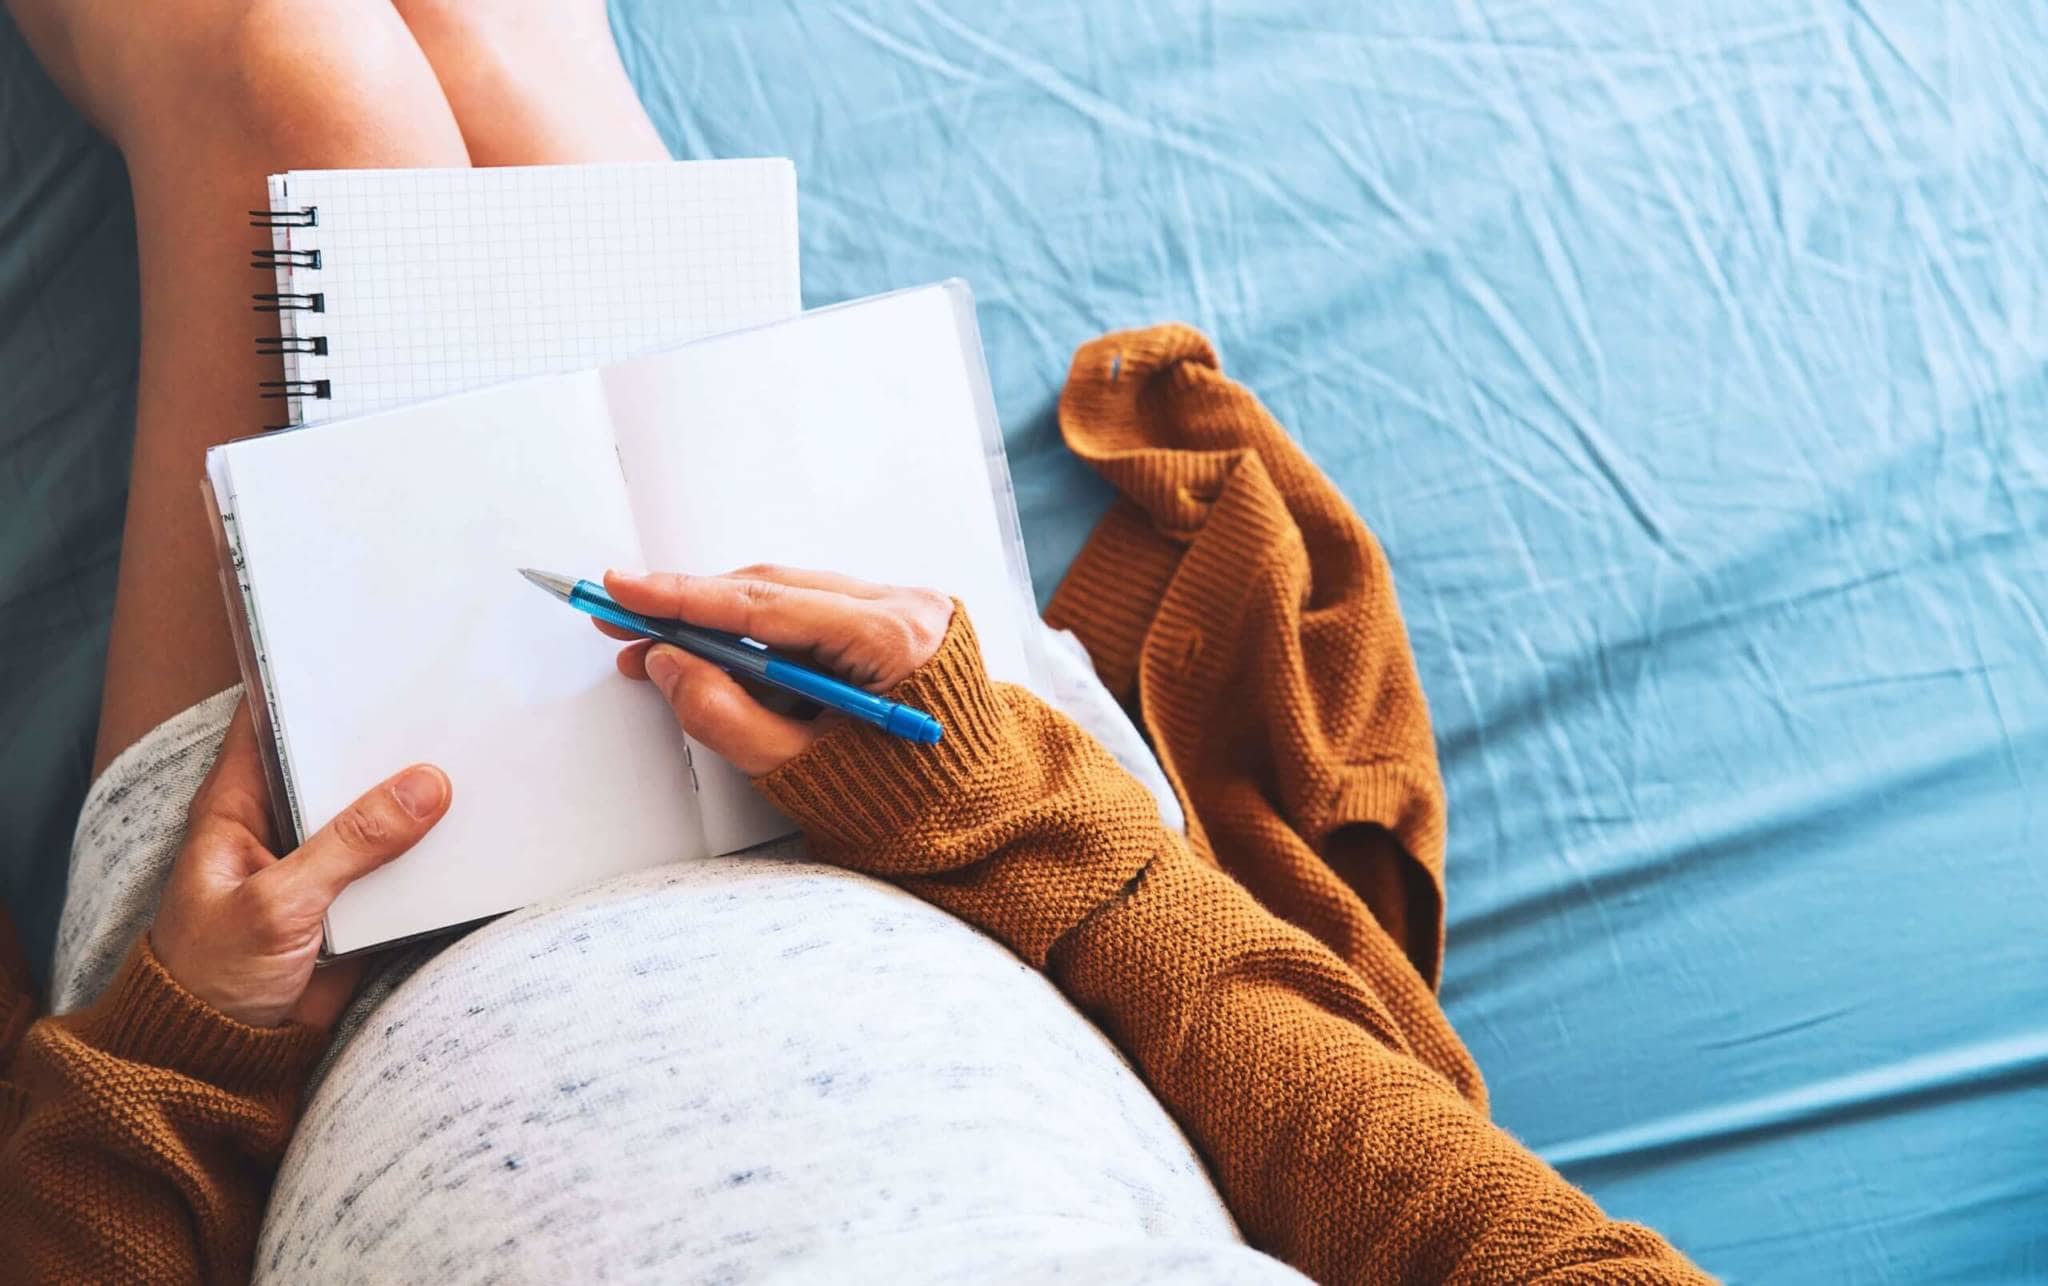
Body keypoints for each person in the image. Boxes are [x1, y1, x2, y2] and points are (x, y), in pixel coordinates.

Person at [0, 1, 1710, 1282]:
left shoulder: (222, 1025)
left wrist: (184, 1052)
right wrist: (1007, 804)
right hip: (932, 811)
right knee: (500, 46)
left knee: (295, 77)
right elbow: (1447, 1201)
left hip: (295, 957)